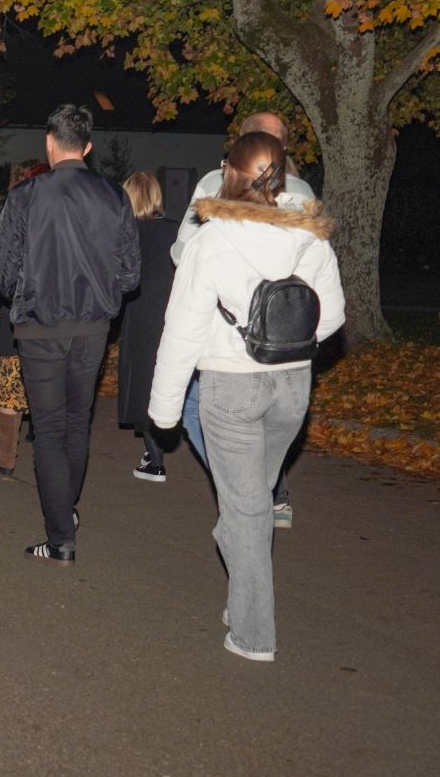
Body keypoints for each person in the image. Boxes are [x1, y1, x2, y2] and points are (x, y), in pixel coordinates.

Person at [148, 131, 344, 661]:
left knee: (246, 511)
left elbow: (182, 328)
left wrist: (164, 409)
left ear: (230, 174)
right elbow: (334, 316)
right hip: (293, 386)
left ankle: (253, 632)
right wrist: (289, 345)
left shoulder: (211, 240)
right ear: (281, 175)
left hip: (230, 384)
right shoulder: (311, 237)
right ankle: (241, 591)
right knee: (251, 499)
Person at [0, 107, 140, 566]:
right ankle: (64, 513)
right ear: (88, 147)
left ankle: (60, 538)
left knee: (50, 429)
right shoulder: (114, 195)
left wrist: (20, 293)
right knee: (78, 421)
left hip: (40, 325)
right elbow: (131, 274)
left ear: (50, 142)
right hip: (92, 327)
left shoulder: (27, 195)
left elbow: (0, 269)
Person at [171, 111, 316, 528]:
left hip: (227, 339)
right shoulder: (304, 191)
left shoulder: (214, 186)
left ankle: (243, 491)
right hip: (289, 340)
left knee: (194, 407)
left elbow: (182, 253)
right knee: (271, 420)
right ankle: (273, 495)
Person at [0, 161, 48, 477]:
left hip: (18, 308)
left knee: (11, 382)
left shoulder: (17, 214)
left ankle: (7, 454)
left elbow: (3, 263)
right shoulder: (60, 217)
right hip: (54, 313)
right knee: (44, 381)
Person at [117, 171, 179, 481]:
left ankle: (155, 461)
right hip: (173, 312)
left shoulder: (124, 233)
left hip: (140, 314)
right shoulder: (175, 231)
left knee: (143, 385)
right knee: (167, 380)